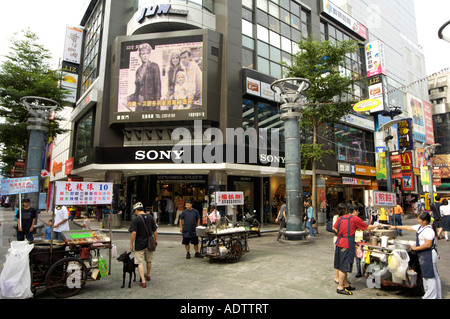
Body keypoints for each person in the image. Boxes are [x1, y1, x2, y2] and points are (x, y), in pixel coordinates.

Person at [389, 212, 442, 299]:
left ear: (425, 221)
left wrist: (415, 248)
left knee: (430, 276)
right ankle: (433, 295)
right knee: (428, 275)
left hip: (428, 254)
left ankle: (431, 296)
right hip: (424, 254)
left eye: (419, 219)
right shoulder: (421, 227)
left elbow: (428, 244)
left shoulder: (428, 230)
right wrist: (395, 227)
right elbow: (409, 227)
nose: (418, 220)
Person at [333, 204, 379, 295]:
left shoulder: (341, 218)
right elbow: (367, 227)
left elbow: (334, 227)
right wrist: (377, 225)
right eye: (357, 211)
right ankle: (340, 287)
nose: (358, 213)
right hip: (346, 244)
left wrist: (342, 233)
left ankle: (346, 284)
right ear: (354, 211)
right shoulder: (354, 218)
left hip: (339, 242)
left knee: (342, 264)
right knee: (344, 266)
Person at [129, 202, 158, 288]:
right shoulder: (150, 217)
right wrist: (156, 239)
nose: (135, 212)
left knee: (139, 262)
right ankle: (148, 275)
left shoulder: (136, 219)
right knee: (149, 260)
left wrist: (131, 244)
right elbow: (155, 230)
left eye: (135, 211)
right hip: (149, 242)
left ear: (137, 210)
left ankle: (143, 281)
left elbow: (134, 233)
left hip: (139, 243)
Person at [128, 43, 161, 111]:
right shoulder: (138, 71)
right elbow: (137, 90)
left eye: (147, 53)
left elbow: (158, 88)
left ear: (149, 54)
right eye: (143, 54)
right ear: (140, 55)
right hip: (139, 104)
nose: (145, 56)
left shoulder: (154, 67)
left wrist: (157, 105)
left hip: (150, 103)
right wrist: (129, 98)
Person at [333, 203, 347, 284]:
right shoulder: (336, 217)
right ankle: (336, 277)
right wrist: (341, 232)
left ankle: (343, 279)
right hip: (337, 238)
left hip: (344, 239)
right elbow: (334, 227)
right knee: (339, 258)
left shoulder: (345, 217)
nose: (346, 211)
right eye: (345, 209)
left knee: (343, 258)